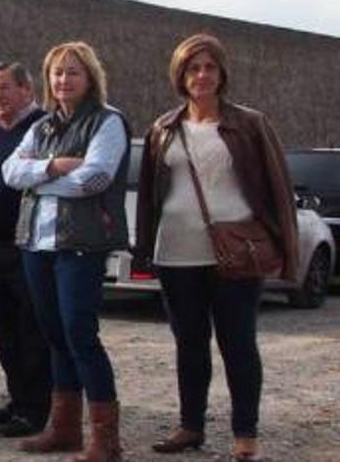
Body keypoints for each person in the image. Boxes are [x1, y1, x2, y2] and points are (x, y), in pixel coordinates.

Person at [137, 34, 295, 462]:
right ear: (180, 76)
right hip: (176, 253)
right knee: (189, 343)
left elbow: (278, 190)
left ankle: (245, 433)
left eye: (209, 67)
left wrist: (286, 249)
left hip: (236, 253)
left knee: (238, 343)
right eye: (193, 68)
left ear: (222, 74)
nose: (201, 75)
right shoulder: (163, 128)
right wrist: (143, 252)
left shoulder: (250, 123)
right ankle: (191, 426)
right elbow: (151, 197)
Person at [3, 41, 128, 461]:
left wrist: (35, 178)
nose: (63, 80)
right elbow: (10, 171)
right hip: (37, 243)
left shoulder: (108, 122)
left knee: (79, 333)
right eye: (57, 72)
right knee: (54, 335)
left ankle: (106, 441)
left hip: (80, 244)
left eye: (73, 72)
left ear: (90, 77)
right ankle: (64, 428)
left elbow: (95, 179)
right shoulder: (42, 127)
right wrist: (55, 166)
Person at [0, 62, 51, 437]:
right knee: (3, 328)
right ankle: (17, 399)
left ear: (27, 89)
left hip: (28, 245)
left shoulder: (42, 128)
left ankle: (37, 410)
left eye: (4, 87)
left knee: (30, 330)